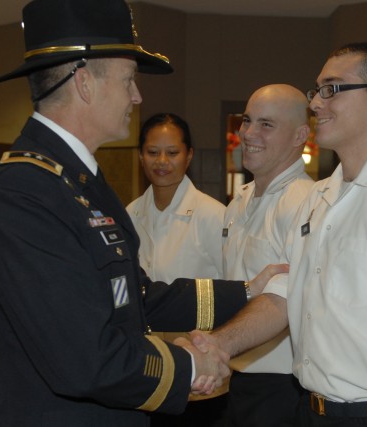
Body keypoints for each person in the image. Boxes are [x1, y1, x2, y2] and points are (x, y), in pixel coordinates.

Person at [0, 0, 283, 425]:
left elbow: (135, 298)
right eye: (129, 80)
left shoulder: (79, 180)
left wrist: (245, 292)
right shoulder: (24, 191)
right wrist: (192, 366)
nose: (137, 96)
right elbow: (82, 357)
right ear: (85, 84)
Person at [194, 42, 367, 426]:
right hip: (311, 410)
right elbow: (283, 296)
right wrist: (219, 343)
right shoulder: (317, 198)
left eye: (332, 89)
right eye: (316, 91)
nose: (317, 103)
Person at [127, 113, 228, 426]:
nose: (162, 161)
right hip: (145, 365)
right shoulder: (130, 214)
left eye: (172, 153)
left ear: (189, 156)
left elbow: (232, 291)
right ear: (141, 155)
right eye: (152, 152)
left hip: (199, 368)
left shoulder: (213, 215)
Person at [222, 84, 314, 426]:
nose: (248, 133)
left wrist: (218, 346)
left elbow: (288, 301)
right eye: (247, 120)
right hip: (236, 377)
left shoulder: (305, 201)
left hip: (281, 387)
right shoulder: (237, 202)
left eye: (266, 124)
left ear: (299, 136)